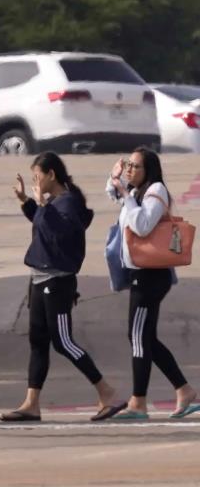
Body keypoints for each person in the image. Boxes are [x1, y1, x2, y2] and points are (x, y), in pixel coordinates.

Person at [2, 152, 123, 422]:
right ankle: (31, 403)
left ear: (51, 175)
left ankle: (107, 392)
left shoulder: (67, 203)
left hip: (56, 283)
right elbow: (43, 225)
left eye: (37, 177)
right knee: (38, 342)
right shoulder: (55, 202)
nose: (36, 182)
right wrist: (27, 203)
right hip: (39, 280)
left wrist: (40, 204)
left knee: (63, 342)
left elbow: (59, 232)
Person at [106, 147, 199, 420]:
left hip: (150, 277)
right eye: (129, 166)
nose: (130, 170)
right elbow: (113, 194)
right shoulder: (136, 192)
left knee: (137, 337)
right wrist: (117, 180)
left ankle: (138, 402)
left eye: (135, 167)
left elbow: (143, 225)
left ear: (149, 171)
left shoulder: (155, 191)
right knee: (144, 338)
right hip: (141, 274)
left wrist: (125, 194)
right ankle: (183, 390)